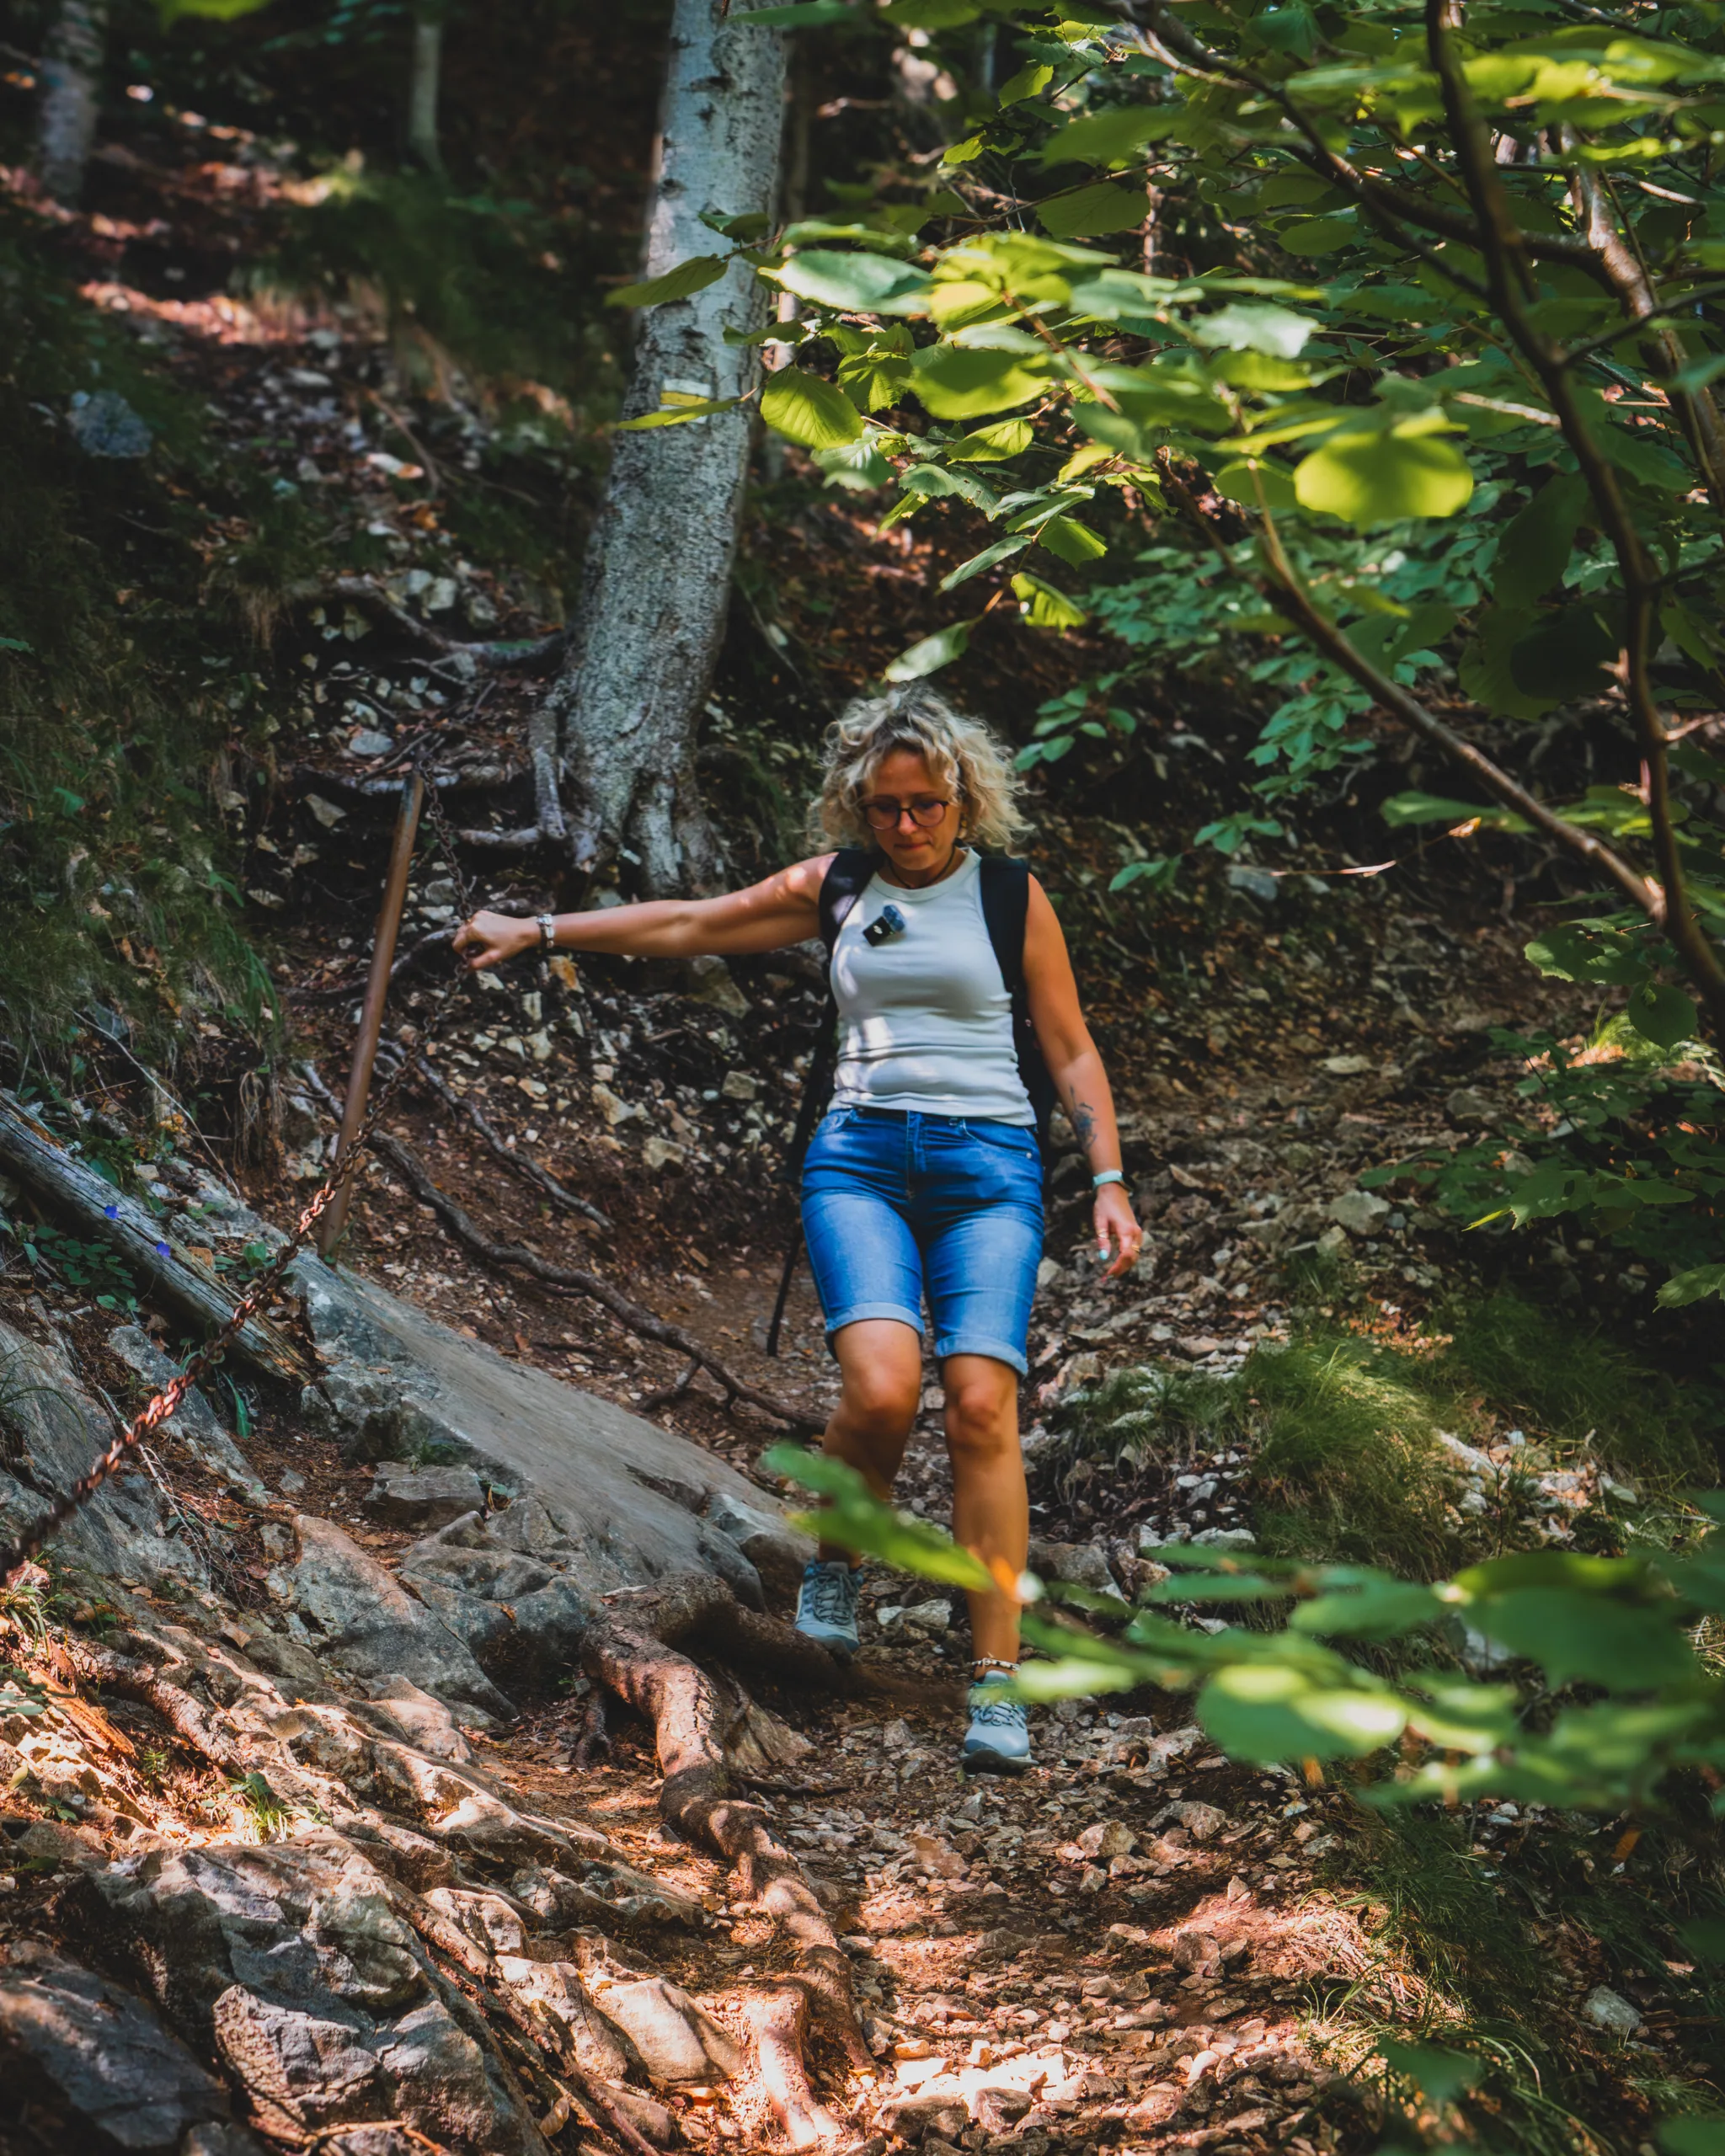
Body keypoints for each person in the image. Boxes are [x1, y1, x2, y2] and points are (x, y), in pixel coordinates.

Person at [454, 687, 1143, 1771]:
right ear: (856, 806)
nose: (905, 826)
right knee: (879, 1387)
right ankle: (837, 1563)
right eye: (883, 808)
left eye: (923, 805)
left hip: (990, 1170)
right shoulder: (837, 887)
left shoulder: (1011, 897)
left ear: (962, 796)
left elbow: (1069, 1049)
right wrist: (535, 930)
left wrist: (1105, 1175)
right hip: (860, 1160)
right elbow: (690, 922)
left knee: (978, 1405)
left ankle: (994, 1683)